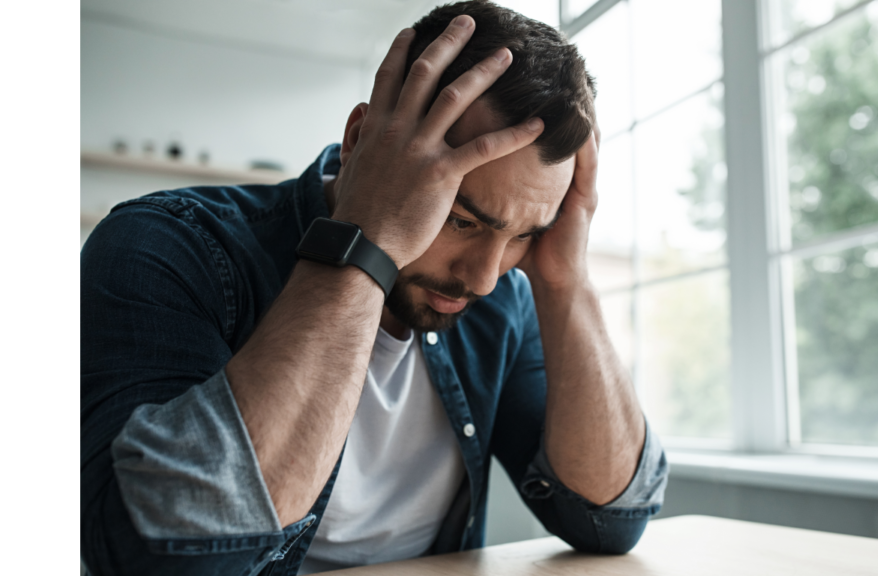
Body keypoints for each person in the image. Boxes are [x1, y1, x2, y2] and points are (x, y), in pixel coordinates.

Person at [79, 2, 667, 574]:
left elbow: (609, 518)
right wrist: (367, 240)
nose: (485, 277)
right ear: (361, 140)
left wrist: (567, 283)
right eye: (462, 220)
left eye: (523, 236)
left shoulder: (505, 299)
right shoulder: (168, 244)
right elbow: (155, 553)